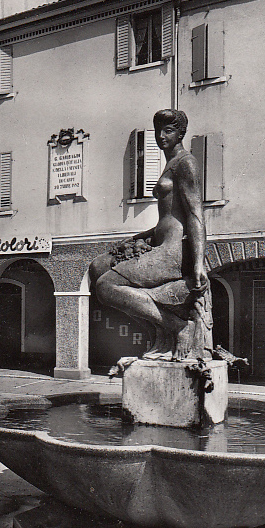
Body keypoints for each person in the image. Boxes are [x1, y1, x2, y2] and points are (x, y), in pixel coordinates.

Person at [89, 109, 212, 360]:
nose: (161, 136)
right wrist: (135, 239)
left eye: (168, 130)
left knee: (106, 286)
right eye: (158, 130)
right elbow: (166, 219)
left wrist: (198, 264)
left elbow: (195, 216)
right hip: (161, 241)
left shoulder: (185, 162)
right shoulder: (170, 165)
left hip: (174, 251)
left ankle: (178, 326)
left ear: (181, 134)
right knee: (97, 266)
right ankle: (159, 333)